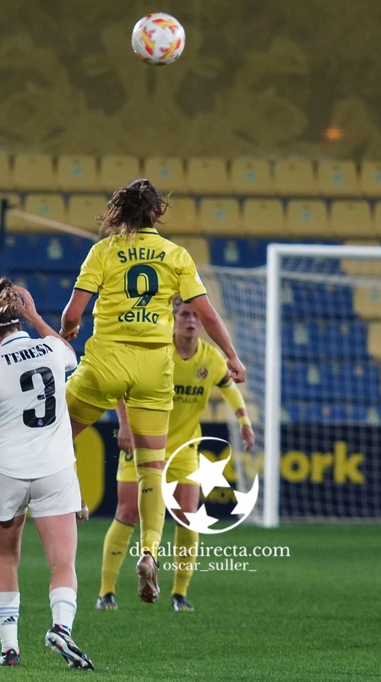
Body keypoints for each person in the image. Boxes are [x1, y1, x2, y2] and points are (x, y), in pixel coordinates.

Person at [59, 178, 245, 603]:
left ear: (119, 212)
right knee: (153, 469)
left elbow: (74, 311)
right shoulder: (175, 255)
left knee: (56, 434)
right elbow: (209, 315)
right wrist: (232, 356)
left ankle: (72, 499)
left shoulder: (103, 251)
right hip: (153, 369)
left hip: (106, 361)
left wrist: (69, 332)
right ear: (157, 213)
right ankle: (149, 552)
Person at [0, 278, 93, 671]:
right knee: (63, 562)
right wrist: (36, 316)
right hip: (54, 470)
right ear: (19, 321)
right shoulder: (51, 349)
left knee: (5, 558)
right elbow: (70, 353)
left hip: (5, 470)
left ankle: (9, 650)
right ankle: (61, 627)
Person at [97, 297, 255, 612]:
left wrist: (244, 421)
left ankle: (179, 594)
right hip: (143, 442)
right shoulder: (157, 351)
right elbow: (123, 387)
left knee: (188, 517)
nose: (191, 320)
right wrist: (124, 426)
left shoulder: (210, 358)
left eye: (197, 316)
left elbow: (229, 387)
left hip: (184, 449)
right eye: (185, 314)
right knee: (127, 513)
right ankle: (107, 592)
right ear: (174, 317)